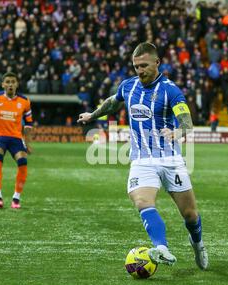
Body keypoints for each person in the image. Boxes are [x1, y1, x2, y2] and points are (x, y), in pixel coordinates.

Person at [78, 42, 208, 270]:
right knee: (142, 201)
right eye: (136, 66)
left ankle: (197, 244)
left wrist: (177, 131)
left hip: (170, 160)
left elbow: (187, 122)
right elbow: (112, 102)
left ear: (157, 63)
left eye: (144, 66)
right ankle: (162, 248)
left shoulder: (170, 90)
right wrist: (93, 115)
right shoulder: (128, 86)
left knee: (190, 215)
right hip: (142, 160)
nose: (140, 70)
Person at [0, 72, 33, 209]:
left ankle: (16, 198)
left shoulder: (24, 101)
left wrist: (28, 142)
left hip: (15, 137)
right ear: (2, 84)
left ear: (17, 84)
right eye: (7, 82)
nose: (10, 84)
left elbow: (28, 123)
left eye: (13, 82)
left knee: (23, 161)